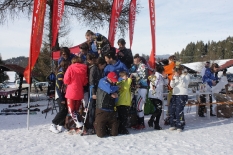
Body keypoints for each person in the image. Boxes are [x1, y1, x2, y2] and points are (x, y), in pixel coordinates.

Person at [64, 56, 88, 131]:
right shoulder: (84, 69)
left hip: (71, 91)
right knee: (76, 110)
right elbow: (85, 82)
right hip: (79, 91)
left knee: (71, 110)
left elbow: (66, 80)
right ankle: (77, 125)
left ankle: (79, 124)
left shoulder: (70, 68)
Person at [94, 72, 120, 138]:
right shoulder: (102, 81)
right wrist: (117, 87)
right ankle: (97, 126)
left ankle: (107, 128)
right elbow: (109, 89)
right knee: (100, 135)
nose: (114, 82)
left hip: (111, 110)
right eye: (112, 80)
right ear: (108, 78)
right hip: (102, 109)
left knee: (114, 133)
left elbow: (114, 95)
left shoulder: (113, 85)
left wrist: (116, 96)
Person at [86, 54, 106, 134]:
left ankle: (95, 124)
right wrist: (93, 93)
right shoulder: (94, 68)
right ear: (100, 64)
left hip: (98, 90)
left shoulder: (99, 69)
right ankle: (90, 126)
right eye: (103, 66)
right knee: (92, 109)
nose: (103, 68)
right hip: (93, 90)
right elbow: (91, 81)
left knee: (96, 108)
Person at [49, 60, 70, 133]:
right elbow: (58, 87)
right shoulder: (60, 74)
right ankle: (53, 124)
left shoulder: (64, 73)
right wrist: (61, 98)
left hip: (64, 95)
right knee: (62, 110)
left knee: (65, 110)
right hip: (59, 95)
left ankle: (61, 125)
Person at [169, 66, 190, 132]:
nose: (175, 73)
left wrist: (179, 77)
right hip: (175, 94)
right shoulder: (175, 76)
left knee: (179, 111)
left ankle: (180, 125)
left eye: (176, 71)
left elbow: (184, 85)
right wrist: (172, 80)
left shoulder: (186, 76)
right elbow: (172, 86)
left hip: (182, 94)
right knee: (172, 109)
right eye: (175, 71)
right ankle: (173, 124)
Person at [131, 54, 149, 130]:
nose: (135, 62)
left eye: (136, 61)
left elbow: (144, 78)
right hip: (137, 88)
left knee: (139, 107)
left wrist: (139, 84)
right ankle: (138, 123)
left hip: (142, 88)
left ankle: (142, 124)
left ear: (139, 59)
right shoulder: (135, 66)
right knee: (137, 107)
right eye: (134, 61)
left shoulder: (143, 66)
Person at [148, 65, 168, 130]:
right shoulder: (157, 76)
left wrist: (165, 78)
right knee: (159, 109)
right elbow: (153, 82)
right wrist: (154, 86)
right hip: (154, 95)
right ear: (162, 71)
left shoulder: (161, 77)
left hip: (158, 95)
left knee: (159, 110)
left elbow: (166, 83)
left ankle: (156, 124)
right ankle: (151, 120)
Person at [163, 55, 176, 125]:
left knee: (170, 103)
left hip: (172, 88)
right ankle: (174, 117)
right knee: (174, 104)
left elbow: (164, 69)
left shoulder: (172, 65)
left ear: (171, 60)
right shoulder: (176, 66)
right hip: (174, 88)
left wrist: (161, 65)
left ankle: (170, 118)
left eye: (169, 60)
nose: (168, 62)